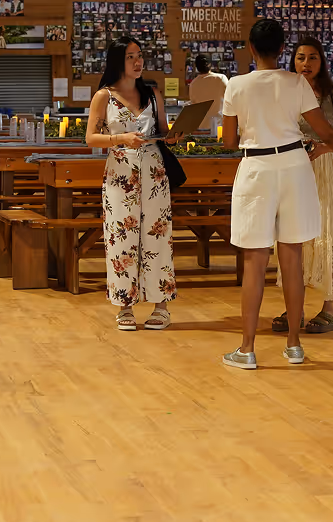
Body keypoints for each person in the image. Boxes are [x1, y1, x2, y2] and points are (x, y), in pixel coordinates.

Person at [219, 18, 333, 370]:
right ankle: (293, 346)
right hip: (294, 166)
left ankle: (247, 349)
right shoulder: (296, 83)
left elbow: (229, 141)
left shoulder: (236, 85)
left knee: (255, 261)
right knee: (293, 257)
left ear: (250, 47)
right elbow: (326, 130)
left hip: (256, 168)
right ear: (282, 49)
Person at [86, 38, 176, 330]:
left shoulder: (151, 93)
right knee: (121, 237)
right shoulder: (104, 96)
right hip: (120, 175)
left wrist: (174, 135)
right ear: (117, 61)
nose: (138, 62)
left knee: (157, 237)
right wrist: (120, 138)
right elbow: (91, 138)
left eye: (139, 56)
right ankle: (124, 304)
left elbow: (163, 130)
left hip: (154, 173)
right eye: (130, 57)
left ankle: (161, 305)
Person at [273, 36, 333, 335]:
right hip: (292, 168)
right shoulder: (283, 91)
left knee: (326, 231)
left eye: (312, 58)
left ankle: (329, 306)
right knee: (292, 235)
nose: (305, 63)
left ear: (321, 62)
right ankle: (293, 305)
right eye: (300, 58)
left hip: (324, 168)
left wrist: (323, 147)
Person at [188, 54, 229, 134]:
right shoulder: (221, 79)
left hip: (201, 129)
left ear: (196, 67)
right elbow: (231, 99)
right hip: (219, 128)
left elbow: (193, 105)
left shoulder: (193, 83)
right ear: (211, 65)